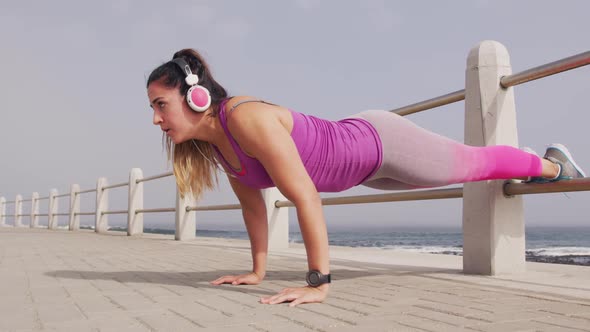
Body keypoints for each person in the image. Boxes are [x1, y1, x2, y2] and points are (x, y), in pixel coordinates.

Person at [146, 48, 585, 307]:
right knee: (449, 174)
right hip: (364, 169)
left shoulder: (246, 118)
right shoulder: (219, 143)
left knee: (471, 166)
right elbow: (252, 206)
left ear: (195, 96)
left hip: (378, 143)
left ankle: (552, 165)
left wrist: (319, 282)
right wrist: (257, 272)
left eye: (161, 104)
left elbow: (305, 197)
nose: (156, 118)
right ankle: (526, 160)